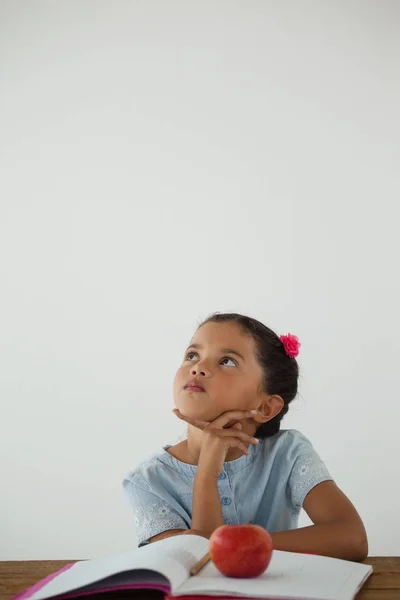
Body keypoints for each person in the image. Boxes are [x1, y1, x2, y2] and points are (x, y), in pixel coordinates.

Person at [123, 313, 368, 560]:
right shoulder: (147, 482)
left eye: (227, 361)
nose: (198, 368)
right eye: (192, 355)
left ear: (266, 408)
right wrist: (207, 473)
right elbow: (203, 564)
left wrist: (245, 542)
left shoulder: (288, 453)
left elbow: (352, 539)